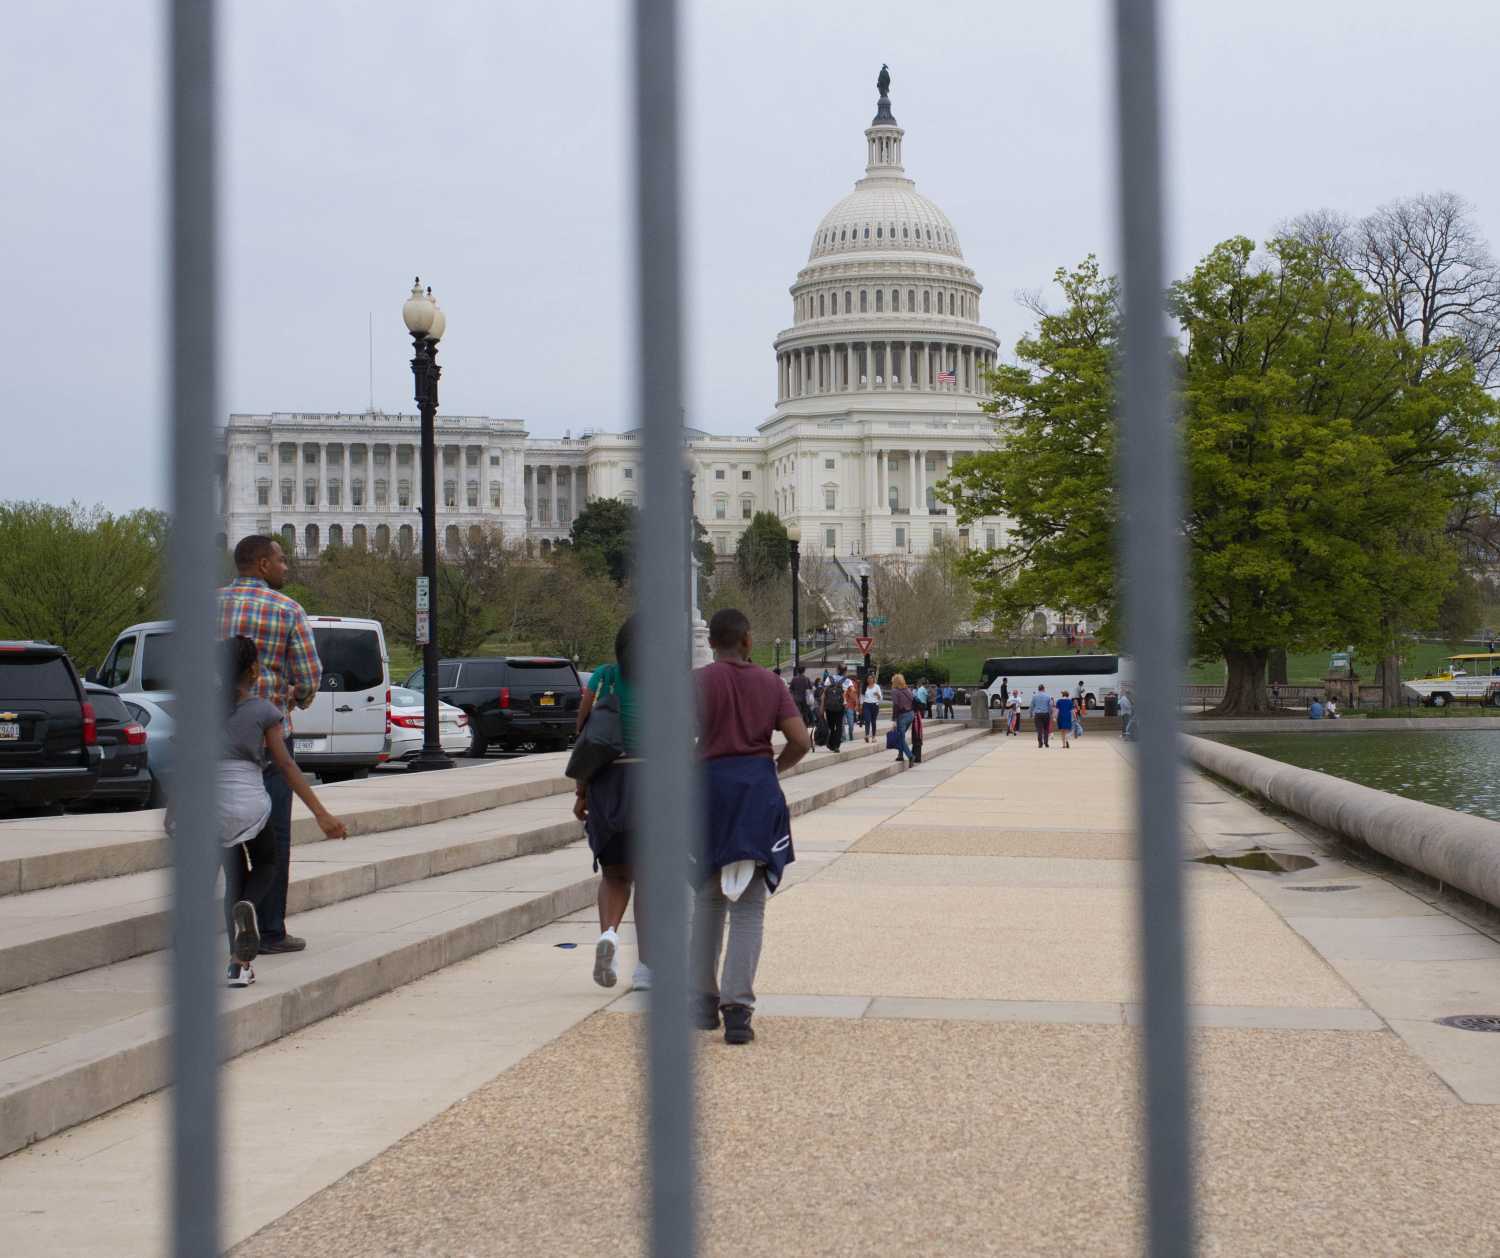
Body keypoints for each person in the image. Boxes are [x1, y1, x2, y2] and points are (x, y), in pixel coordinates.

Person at [691, 608, 812, 1045]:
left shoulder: (698, 682)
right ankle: (737, 1008)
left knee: (707, 899)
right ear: (746, 641)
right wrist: (774, 768)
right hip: (756, 790)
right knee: (749, 907)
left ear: (713, 643)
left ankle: (702, 1000)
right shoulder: (770, 683)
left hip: (709, 790)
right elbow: (801, 740)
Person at [218, 636, 347, 987]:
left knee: (233, 876)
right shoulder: (262, 710)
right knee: (267, 863)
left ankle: (238, 967)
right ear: (254, 670)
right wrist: (321, 813)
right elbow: (287, 765)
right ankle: (245, 920)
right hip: (247, 800)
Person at [218, 534, 322, 954]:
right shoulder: (288, 609)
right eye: (280, 560)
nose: (286, 566)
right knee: (273, 837)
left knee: (225, 838)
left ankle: (235, 926)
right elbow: (309, 676)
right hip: (268, 738)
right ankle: (271, 929)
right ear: (261, 564)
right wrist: (295, 697)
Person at [573, 617, 652, 992]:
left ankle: (608, 936)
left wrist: (582, 793)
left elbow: (586, 736)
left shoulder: (602, 677)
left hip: (608, 784)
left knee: (614, 875)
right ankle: (646, 969)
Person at [889, 672, 916, 765]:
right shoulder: (907, 689)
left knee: (900, 738)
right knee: (901, 736)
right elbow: (913, 700)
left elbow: (895, 705)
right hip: (911, 714)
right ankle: (900, 755)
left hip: (902, 716)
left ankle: (910, 756)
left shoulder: (894, 691)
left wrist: (894, 720)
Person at [820, 671, 846, 752]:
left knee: (831, 726)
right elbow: (848, 694)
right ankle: (836, 745)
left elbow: (823, 696)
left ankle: (831, 744)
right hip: (840, 708)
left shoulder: (828, 680)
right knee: (838, 727)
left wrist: (822, 708)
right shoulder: (845, 681)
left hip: (829, 708)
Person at [789, 665, 814, 735]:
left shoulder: (794, 679)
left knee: (798, 714)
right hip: (805, 699)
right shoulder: (807, 679)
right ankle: (805, 728)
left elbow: (790, 689)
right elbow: (810, 688)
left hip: (796, 699)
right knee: (805, 713)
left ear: (798, 671)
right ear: (804, 671)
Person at [1030, 684, 1054, 748]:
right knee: (1046, 729)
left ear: (1038, 689)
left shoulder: (1034, 696)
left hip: (1038, 715)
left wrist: (1030, 713)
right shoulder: (1048, 696)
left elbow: (1032, 706)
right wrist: (1051, 713)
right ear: (1043, 689)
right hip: (1046, 714)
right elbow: (1050, 706)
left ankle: (1040, 743)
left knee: (1039, 729)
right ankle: (1046, 742)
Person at [861, 673, 882, 742]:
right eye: (868, 678)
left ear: (873, 679)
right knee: (867, 720)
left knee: (873, 721)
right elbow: (862, 697)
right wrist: (861, 706)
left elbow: (881, 698)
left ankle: (873, 737)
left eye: (871, 678)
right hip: (866, 705)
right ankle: (867, 735)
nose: (869, 680)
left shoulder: (877, 687)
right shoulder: (865, 687)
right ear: (866, 680)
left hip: (875, 705)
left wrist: (878, 694)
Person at [839, 667, 858, 743]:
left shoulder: (851, 684)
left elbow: (855, 694)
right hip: (841, 705)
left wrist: (856, 704)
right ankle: (843, 738)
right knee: (842, 723)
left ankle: (850, 734)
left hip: (850, 706)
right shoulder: (839, 683)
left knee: (851, 724)